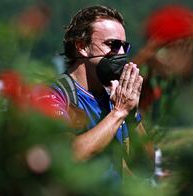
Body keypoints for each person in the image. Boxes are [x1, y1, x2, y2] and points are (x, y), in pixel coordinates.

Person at [43, 5, 153, 182]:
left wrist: (132, 114)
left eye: (125, 46)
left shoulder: (116, 98)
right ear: (82, 46)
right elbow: (67, 155)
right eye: (113, 45)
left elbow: (146, 168)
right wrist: (119, 113)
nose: (122, 53)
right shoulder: (54, 95)